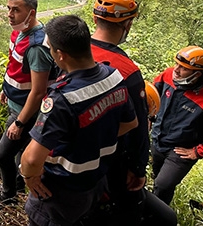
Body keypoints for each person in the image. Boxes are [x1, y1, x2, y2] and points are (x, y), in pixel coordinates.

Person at [19, 15, 138, 226]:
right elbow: (130, 123)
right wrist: (91, 141)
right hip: (96, 181)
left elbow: (31, 159)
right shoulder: (114, 78)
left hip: (60, 191)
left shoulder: (63, 99)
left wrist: (30, 177)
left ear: (61, 54)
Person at [88, 0, 150, 224]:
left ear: (95, 19)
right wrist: (138, 167)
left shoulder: (71, 52)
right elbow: (138, 127)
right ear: (128, 23)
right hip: (112, 154)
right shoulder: (127, 71)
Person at [0, 0, 55, 204]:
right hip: (16, 103)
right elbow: (15, 66)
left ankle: (8, 195)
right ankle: (17, 184)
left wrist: (20, 123)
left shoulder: (37, 46)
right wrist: (6, 89)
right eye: (9, 8)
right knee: (19, 150)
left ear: (31, 12)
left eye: (16, 10)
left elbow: (38, 91)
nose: (10, 14)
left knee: (1, 155)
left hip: (26, 112)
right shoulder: (20, 32)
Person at [151, 46, 203, 205]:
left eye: (183, 68)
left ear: (197, 73)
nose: (176, 70)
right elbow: (151, 96)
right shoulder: (167, 75)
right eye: (176, 64)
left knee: (163, 184)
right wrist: (148, 118)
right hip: (158, 140)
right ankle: (156, 208)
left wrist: (198, 151)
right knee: (158, 180)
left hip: (181, 150)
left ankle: (154, 217)